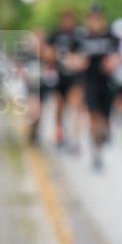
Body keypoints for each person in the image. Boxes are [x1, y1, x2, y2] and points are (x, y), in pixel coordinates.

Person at [78, 4, 119, 171]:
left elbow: (119, 54)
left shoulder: (110, 35)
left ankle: (105, 132)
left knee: (105, 119)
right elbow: (74, 57)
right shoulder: (83, 37)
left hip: (107, 84)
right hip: (90, 83)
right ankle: (97, 153)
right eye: (91, 17)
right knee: (94, 119)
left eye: (98, 17)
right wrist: (79, 61)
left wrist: (113, 62)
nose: (95, 21)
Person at [47, 10, 85, 151]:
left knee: (76, 107)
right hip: (59, 77)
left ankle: (75, 140)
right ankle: (60, 135)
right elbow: (47, 52)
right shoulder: (55, 34)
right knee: (59, 108)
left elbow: (83, 57)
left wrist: (75, 60)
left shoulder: (78, 35)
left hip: (75, 78)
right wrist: (57, 56)